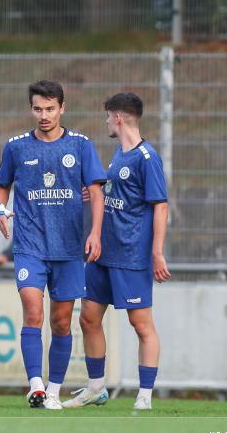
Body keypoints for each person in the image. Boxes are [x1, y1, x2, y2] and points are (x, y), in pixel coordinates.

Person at [0, 80, 106, 410]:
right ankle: (35, 386)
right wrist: (1, 209)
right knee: (32, 312)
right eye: (38, 109)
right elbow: (2, 186)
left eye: (50, 109)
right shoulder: (16, 147)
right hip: (30, 244)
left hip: (70, 247)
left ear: (62, 108)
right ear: (31, 109)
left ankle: (54, 390)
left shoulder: (81, 146)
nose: (43, 115)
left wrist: (96, 233)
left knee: (60, 321)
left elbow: (97, 192)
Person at [62, 92, 170, 411]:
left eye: (108, 116)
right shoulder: (118, 154)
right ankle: (96, 387)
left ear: (118, 117)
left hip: (130, 255)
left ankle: (145, 395)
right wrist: (95, 192)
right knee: (89, 318)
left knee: (141, 324)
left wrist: (157, 253)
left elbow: (160, 207)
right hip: (103, 254)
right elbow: (118, 192)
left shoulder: (147, 158)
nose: (106, 122)